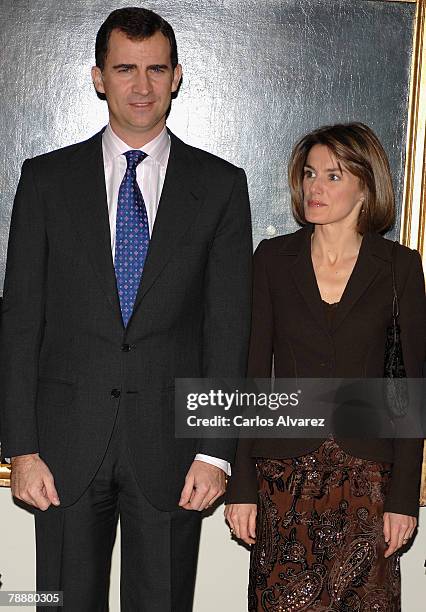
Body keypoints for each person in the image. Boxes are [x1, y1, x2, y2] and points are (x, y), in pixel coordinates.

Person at [0, 7, 252, 611]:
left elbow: (227, 327)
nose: (141, 86)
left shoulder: (220, 186)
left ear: (177, 76)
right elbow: (19, 322)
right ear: (98, 77)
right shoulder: (44, 180)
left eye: (155, 70)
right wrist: (21, 448)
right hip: (61, 450)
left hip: (172, 451)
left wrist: (215, 450)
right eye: (125, 69)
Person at [225, 122, 425, 611]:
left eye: (333, 176)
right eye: (310, 174)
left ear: (366, 185)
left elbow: (409, 391)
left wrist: (402, 498)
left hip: (368, 484)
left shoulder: (399, 267)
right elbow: (251, 376)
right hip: (284, 478)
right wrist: (242, 485)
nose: (315, 187)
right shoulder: (272, 259)